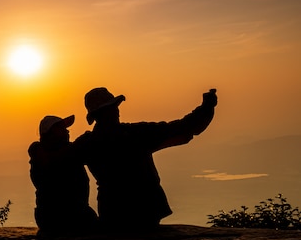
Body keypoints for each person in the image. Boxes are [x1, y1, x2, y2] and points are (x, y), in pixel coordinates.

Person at [75, 87, 218, 232]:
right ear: (105, 113)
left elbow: (60, 164)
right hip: (145, 211)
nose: (117, 111)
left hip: (111, 213)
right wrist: (207, 107)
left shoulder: (86, 143)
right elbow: (182, 128)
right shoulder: (135, 134)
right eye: (113, 107)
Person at [28, 114, 99, 237]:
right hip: (67, 216)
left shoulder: (42, 154)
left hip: (49, 217)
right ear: (50, 133)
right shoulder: (52, 155)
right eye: (61, 128)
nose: (67, 131)